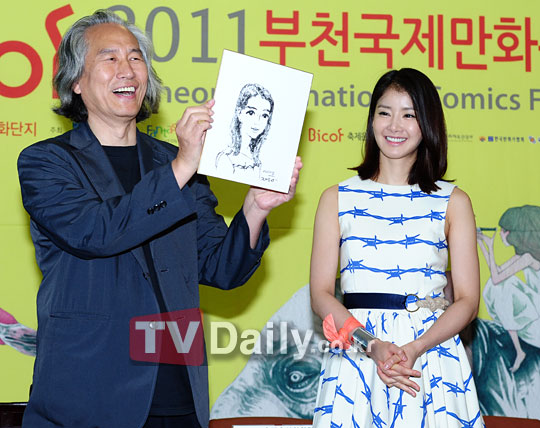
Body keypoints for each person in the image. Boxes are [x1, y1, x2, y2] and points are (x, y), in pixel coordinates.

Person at [17, 10, 301, 428]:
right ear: (75, 81)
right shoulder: (46, 162)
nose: (127, 69)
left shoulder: (173, 162)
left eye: (136, 58)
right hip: (90, 393)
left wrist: (255, 209)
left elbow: (220, 268)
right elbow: (98, 232)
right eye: (109, 58)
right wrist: (182, 167)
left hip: (178, 394)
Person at [310, 68, 484, 427]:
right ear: (372, 119)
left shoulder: (453, 202)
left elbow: (468, 300)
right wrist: (371, 345)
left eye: (409, 115)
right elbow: (321, 294)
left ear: (428, 124)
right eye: (384, 112)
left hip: (430, 358)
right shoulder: (337, 197)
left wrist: (417, 347)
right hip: (358, 354)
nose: (394, 125)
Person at [477, 205, 540, 373]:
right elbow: (497, 272)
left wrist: (490, 247)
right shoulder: (523, 255)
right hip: (534, 305)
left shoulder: (528, 257)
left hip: (537, 316)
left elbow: (497, 278)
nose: (501, 234)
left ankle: (519, 351)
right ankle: (518, 347)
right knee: (500, 284)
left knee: (503, 286)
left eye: (504, 231)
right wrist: (482, 244)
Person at [215, 83, 274, 174]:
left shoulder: (258, 159)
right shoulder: (227, 158)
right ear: (239, 113)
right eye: (251, 113)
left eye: (264, 115)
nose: (257, 121)